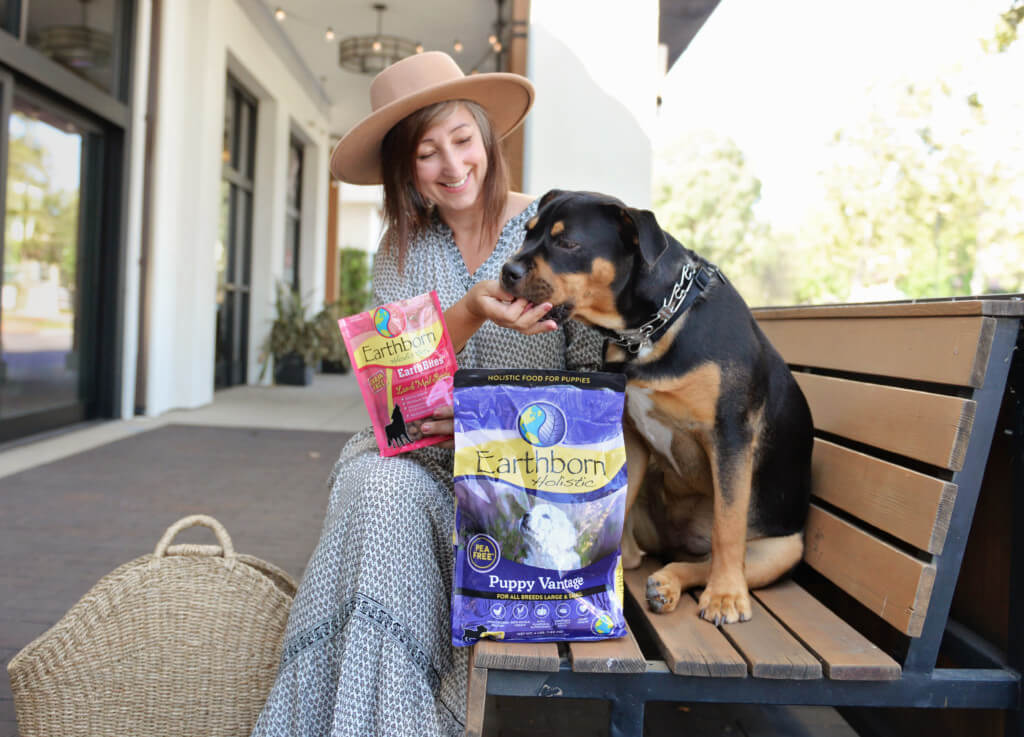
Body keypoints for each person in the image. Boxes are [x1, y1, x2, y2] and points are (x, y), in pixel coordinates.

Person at [250, 52, 603, 737]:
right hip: (424, 469)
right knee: (378, 484)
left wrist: (483, 417)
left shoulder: (558, 233)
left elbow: (595, 387)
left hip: (527, 479)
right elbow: (397, 402)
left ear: (487, 137)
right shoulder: (401, 252)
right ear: (406, 170)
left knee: (382, 497)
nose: (451, 165)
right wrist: (470, 307)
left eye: (462, 140)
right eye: (426, 153)